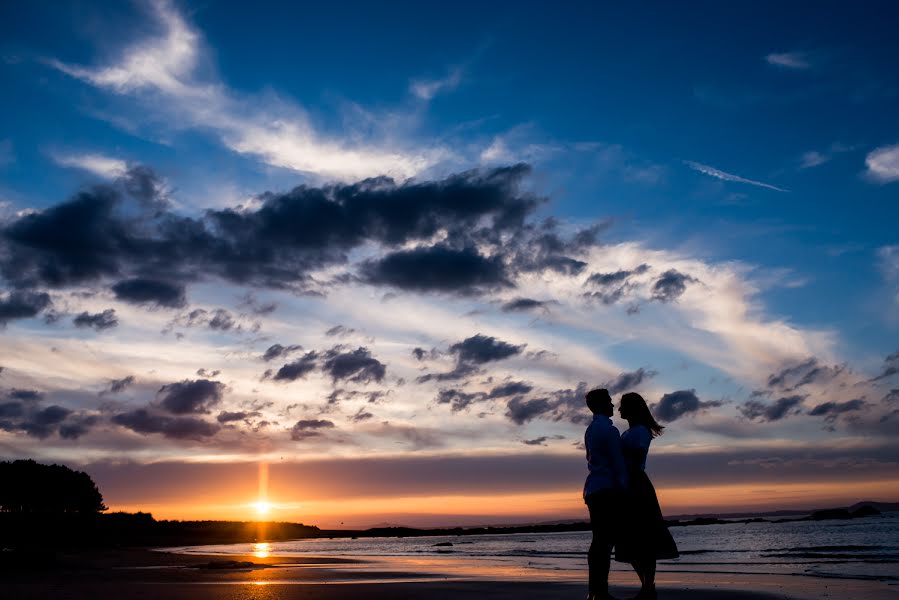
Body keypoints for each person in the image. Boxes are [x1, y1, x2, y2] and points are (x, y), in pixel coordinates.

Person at [614, 392, 679, 600]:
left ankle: (648, 586)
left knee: (645, 538)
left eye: (622, 406)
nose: (619, 410)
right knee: (631, 538)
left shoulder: (640, 432)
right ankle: (646, 586)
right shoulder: (630, 432)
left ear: (632, 409)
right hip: (627, 483)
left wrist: (617, 455)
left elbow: (637, 454)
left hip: (637, 484)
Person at [583, 388, 629, 600]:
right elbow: (618, 465)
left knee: (599, 541)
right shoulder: (609, 432)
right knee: (604, 542)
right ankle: (600, 591)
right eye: (610, 402)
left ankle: (595, 590)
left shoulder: (591, 430)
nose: (613, 405)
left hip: (593, 488)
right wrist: (624, 488)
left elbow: (589, 458)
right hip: (605, 489)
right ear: (601, 404)